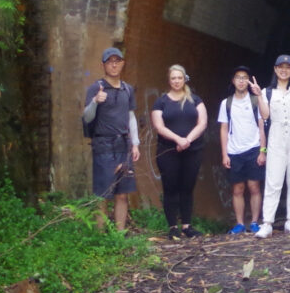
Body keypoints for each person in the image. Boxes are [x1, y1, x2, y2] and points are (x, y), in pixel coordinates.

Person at [82, 47, 141, 232]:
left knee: (122, 193)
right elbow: (87, 117)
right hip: (103, 145)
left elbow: (130, 116)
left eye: (117, 61)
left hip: (123, 145)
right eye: (110, 61)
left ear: (122, 63)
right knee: (103, 194)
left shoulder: (127, 89)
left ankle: (119, 235)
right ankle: (100, 236)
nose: (114, 64)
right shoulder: (96, 87)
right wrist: (95, 101)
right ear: (103, 65)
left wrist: (136, 143)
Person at [255, 55, 290, 238]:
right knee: (273, 180)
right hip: (276, 137)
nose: (284, 70)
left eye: (288, 67)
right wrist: (259, 97)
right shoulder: (267, 92)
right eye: (281, 67)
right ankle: (268, 222)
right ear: (275, 69)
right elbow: (265, 116)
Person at [150, 64, 208, 240]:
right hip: (168, 151)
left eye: (179, 78)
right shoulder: (161, 101)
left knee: (187, 187)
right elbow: (158, 126)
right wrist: (178, 139)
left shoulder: (195, 100)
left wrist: (187, 140)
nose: (176, 81)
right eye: (173, 78)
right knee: (170, 188)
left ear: (184, 79)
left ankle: (187, 225)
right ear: (169, 80)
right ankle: (173, 227)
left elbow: (202, 123)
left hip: (193, 150)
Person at [218, 66, 267, 234]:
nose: (241, 80)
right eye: (238, 77)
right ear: (233, 81)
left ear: (248, 81)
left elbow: (262, 126)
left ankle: (254, 221)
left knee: (254, 187)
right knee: (237, 189)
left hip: (253, 149)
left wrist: (263, 151)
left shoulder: (254, 101)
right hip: (234, 151)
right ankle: (239, 223)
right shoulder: (227, 103)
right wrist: (224, 154)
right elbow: (224, 129)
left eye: (244, 77)